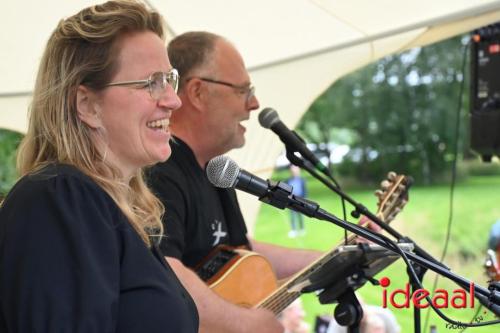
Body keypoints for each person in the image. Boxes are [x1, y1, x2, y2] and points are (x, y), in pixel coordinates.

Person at [0, 1, 198, 332]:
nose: (173, 100)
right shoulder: (58, 198)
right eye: (151, 82)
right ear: (87, 105)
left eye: (169, 79)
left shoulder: (108, 210)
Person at [147, 31, 322, 332]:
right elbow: (164, 269)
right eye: (243, 90)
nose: (254, 104)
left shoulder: (217, 171)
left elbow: (239, 250)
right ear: (198, 93)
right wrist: (242, 324)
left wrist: (331, 259)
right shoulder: (159, 171)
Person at [285, 165, 308, 237]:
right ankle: (294, 230)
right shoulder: (288, 180)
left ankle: (302, 229)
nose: (294, 172)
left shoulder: (302, 180)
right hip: (291, 199)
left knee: (300, 215)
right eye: (292, 170)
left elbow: (305, 191)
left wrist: (304, 200)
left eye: (295, 170)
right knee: (292, 215)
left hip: (300, 199)